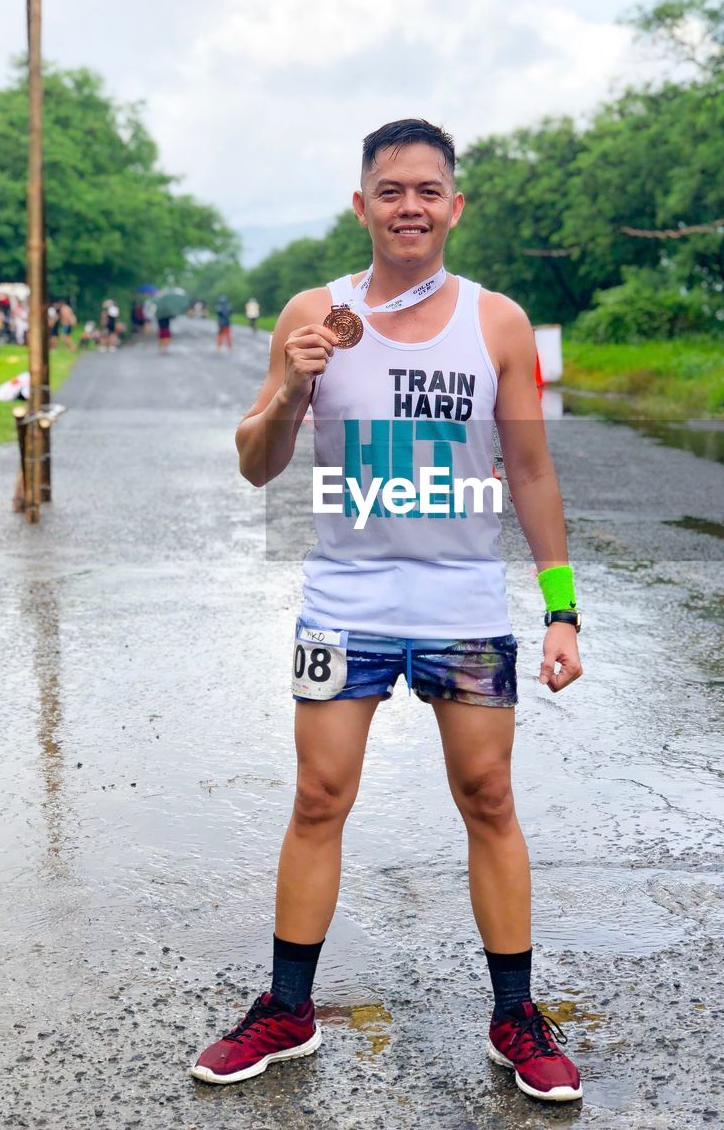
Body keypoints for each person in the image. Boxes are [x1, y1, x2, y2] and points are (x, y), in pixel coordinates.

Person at [191, 119, 584, 1103]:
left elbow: (531, 468)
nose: (410, 205)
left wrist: (561, 608)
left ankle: (515, 1015)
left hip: (461, 605)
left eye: (427, 189)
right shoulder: (311, 311)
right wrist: (289, 382)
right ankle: (286, 1009)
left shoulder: (495, 321)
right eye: (390, 188)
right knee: (318, 798)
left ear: (454, 204)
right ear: (359, 202)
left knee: (488, 797)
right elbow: (256, 463)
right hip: (345, 605)